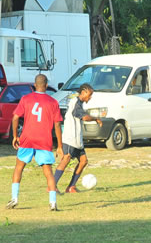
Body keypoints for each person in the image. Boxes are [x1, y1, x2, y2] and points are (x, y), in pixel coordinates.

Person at [7, 74, 63, 211]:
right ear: (46, 85)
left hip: (27, 138)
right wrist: (60, 146)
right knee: (48, 171)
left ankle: (14, 198)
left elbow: (15, 118)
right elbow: (57, 125)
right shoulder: (53, 102)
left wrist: (15, 136)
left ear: (34, 85)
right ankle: (53, 202)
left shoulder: (26, 99)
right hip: (44, 139)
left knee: (19, 167)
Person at [54, 83, 102, 194]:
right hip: (70, 138)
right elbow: (84, 117)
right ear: (83, 92)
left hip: (77, 140)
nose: (90, 97)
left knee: (83, 161)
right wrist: (96, 119)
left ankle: (71, 187)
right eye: (90, 94)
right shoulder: (75, 102)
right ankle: (52, 186)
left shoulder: (79, 103)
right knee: (66, 159)